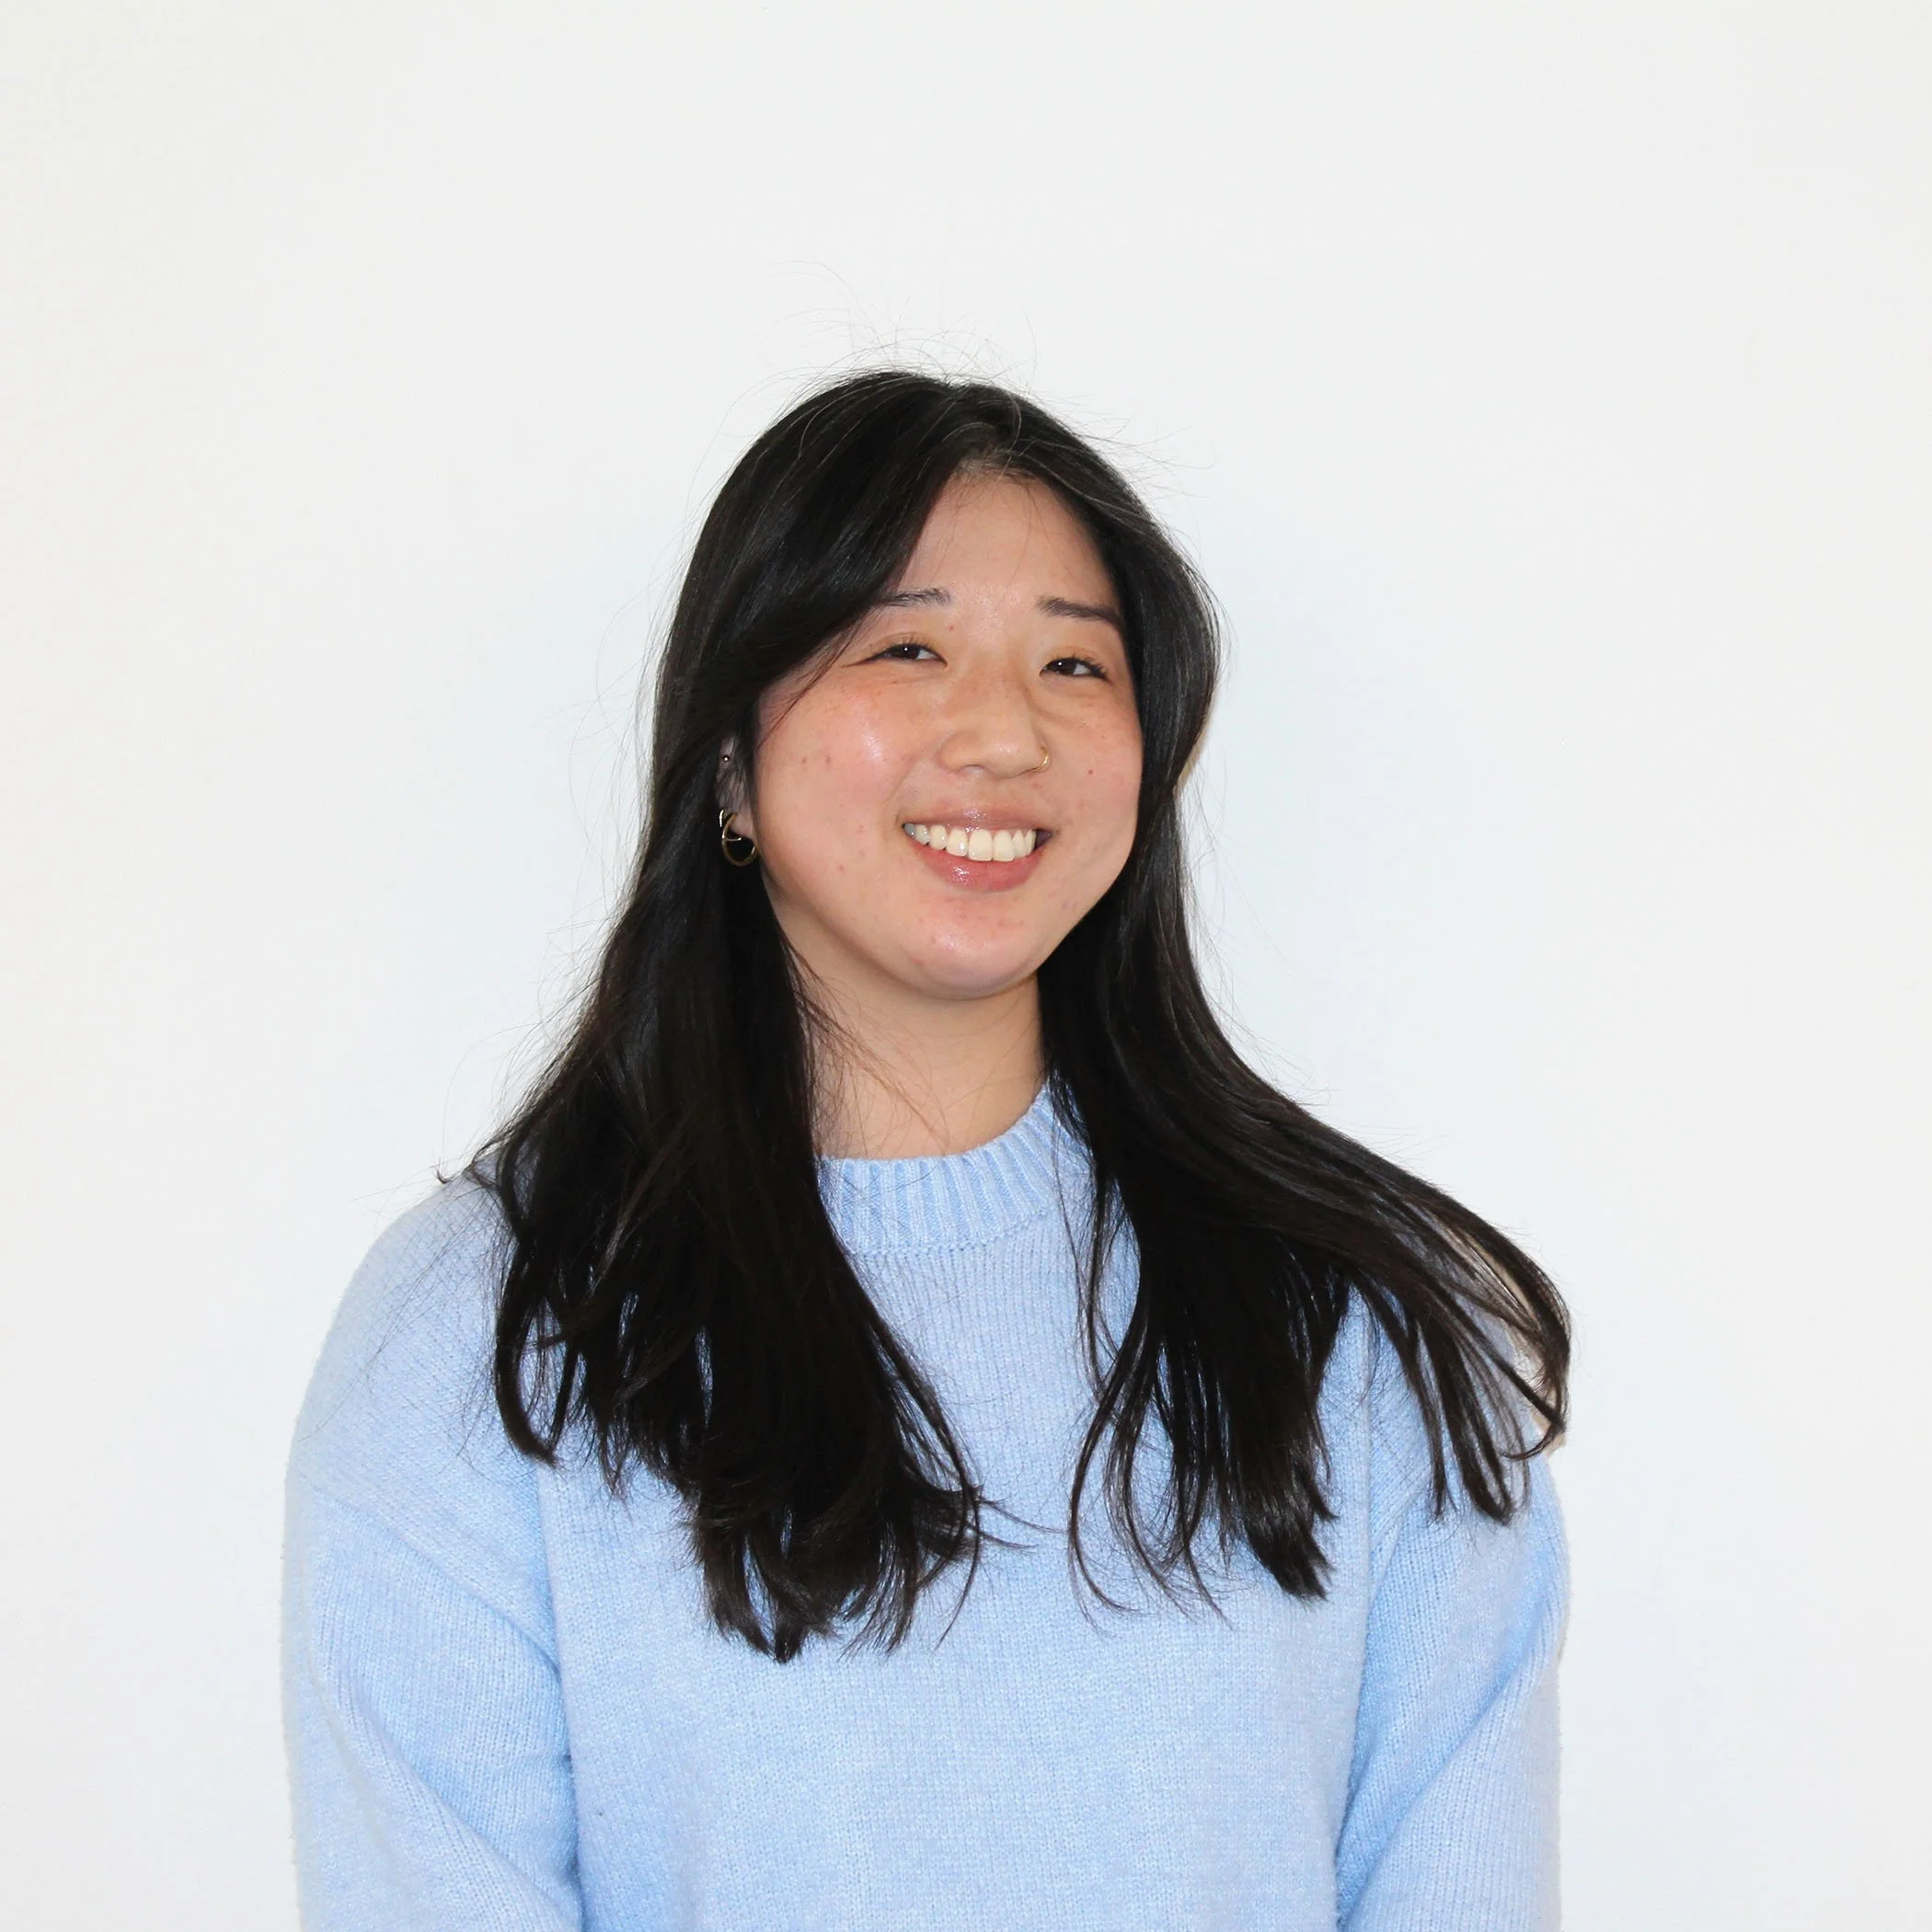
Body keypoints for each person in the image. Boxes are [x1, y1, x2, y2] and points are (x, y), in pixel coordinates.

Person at [283, 370, 1570, 1930]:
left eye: (1074, 664)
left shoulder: (1362, 1324)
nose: (1004, 730)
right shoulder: (488, 1331)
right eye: (907, 646)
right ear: (730, 764)